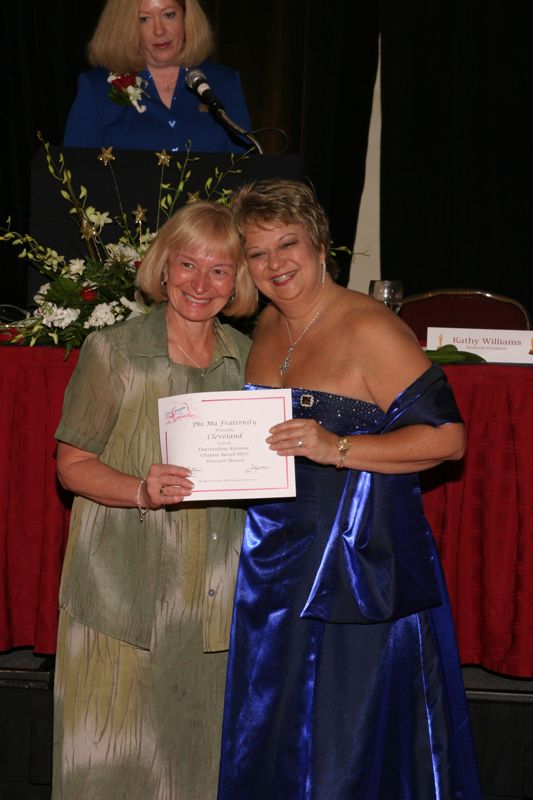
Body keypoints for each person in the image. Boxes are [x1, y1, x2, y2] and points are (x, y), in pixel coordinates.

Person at [217, 179, 483, 799]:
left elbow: (448, 440)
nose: (276, 263)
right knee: (275, 726)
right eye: (257, 253)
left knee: (344, 739)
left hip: (353, 564)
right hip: (274, 559)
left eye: (289, 244)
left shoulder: (368, 327)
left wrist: (335, 448)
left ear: (320, 245)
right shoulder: (263, 328)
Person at [52, 200, 257, 800]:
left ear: (237, 281)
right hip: (121, 591)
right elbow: (71, 466)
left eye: (219, 270)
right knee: (112, 763)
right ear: (162, 268)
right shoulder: (112, 351)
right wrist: (140, 489)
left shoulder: (249, 359)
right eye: (187, 264)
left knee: (200, 761)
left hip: (212, 599)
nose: (201, 283)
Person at [63, 0, 252, 152]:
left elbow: (245, 178)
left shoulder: (225, 84)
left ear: (186, 17)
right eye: (144, 19)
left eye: (169, 15)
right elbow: (75, 177)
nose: (159, 30)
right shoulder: (96, 88)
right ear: (125, 26)